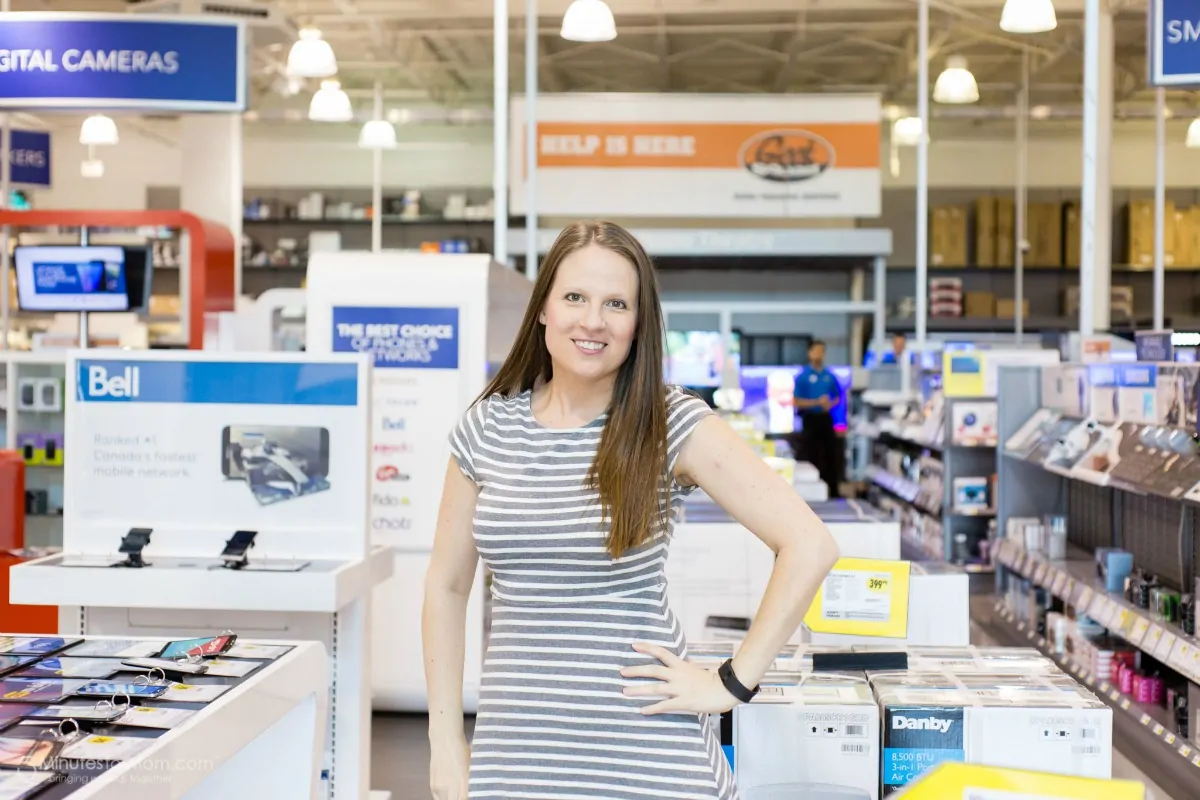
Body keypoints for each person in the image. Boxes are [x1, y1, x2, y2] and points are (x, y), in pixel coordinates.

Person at [422, 220, 841, 800]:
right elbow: (446, 587)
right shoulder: (487, 428)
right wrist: (445, 741)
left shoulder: (670, 424)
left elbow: (809, 544)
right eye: (575, 297)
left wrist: (730, 683)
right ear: (542, 307)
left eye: (616, 303)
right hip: (514, 755)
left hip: (648, 760)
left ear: (639, 323)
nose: (592, 321)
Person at [791, 340, 841, 498]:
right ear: (810, 353)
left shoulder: (829, 376)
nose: (818, 354)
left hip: (825, 418)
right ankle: (808, 492)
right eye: (816, 351)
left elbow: (838, 397)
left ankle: (832, 491)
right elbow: (796, 400)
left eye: (821, 351)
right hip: (810, 419)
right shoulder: (803, 377)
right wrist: (815, 402)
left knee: (830, 454)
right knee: (809, 454)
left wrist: (829, 404)